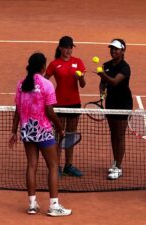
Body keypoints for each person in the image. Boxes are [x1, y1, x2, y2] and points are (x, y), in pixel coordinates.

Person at [9, 52, 72, 216]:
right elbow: (50, 111)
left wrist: (13, 131)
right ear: (43, 67)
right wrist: (59, 128)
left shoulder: (21, 84)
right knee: (52, 165)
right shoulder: (46, 85)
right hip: (43, 131)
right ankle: (54, 206)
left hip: (27, 131)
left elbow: (18, 110)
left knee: (31, 166)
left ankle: (31, 204)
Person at [45, 36, 86, 177]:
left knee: (71, 135)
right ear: (60, 48)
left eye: (71, 47)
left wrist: (80, 77)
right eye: (66, 47)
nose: (69, 50)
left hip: (75, 103)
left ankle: (69, 165)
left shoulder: (78, 62)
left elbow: (83, 85)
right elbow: (44, 80)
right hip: (59, 104)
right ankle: (56, 165)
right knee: (59, 135)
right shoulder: (54, 64)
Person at [96, 38, 133, 180]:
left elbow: (114, 82)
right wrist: (102, 93)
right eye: (111, 48)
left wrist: (103, 75)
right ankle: (115, 161)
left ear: (123, 50)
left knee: (120, 135)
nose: (113, 51)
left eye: (116, 49)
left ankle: (118, 166)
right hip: (110, 102)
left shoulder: (125, 67)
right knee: (113, 134)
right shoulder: (106, 65)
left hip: (123, 104)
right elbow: (103, 84)